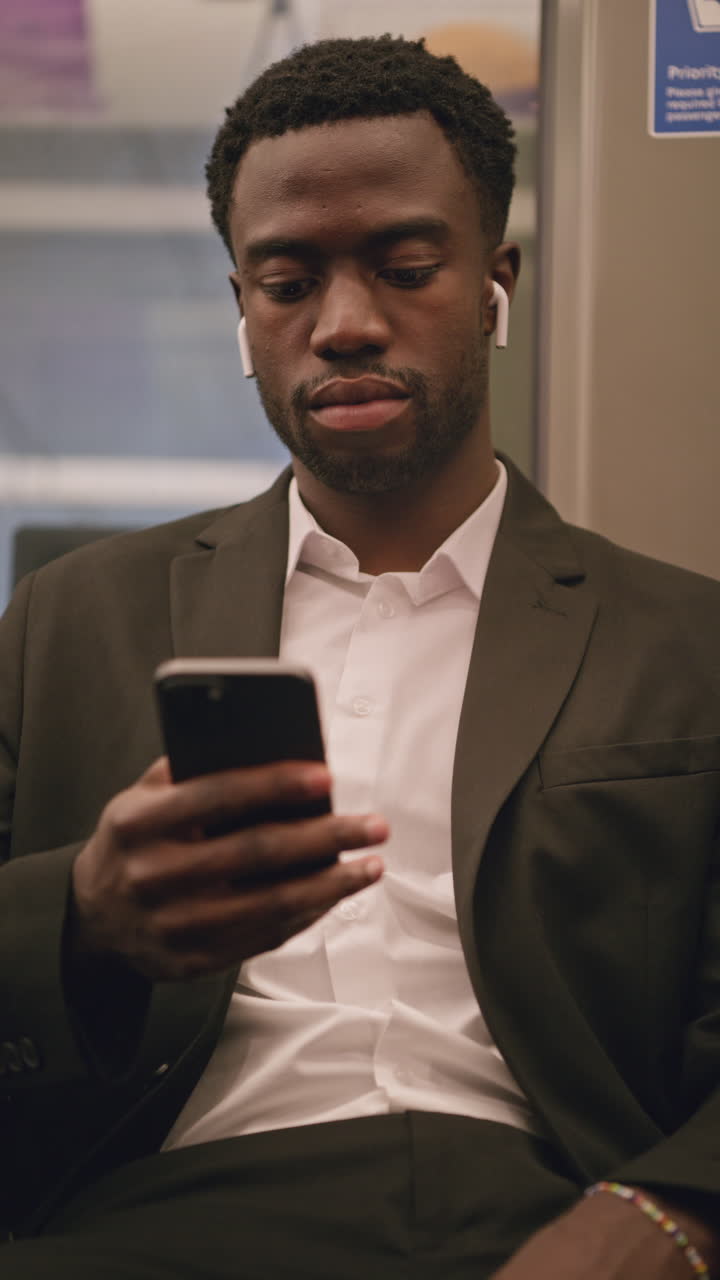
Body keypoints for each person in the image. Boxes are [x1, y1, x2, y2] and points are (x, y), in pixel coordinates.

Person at [1, 33, 719, 1280]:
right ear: (242, 309)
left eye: (403, 266)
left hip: (552, 1210)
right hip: (150, 1216)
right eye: (287, 281)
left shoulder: (686, 640)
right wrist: (80, 920)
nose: (344, 323)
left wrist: (668, 1215)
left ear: (495, 281)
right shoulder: (67, 623)